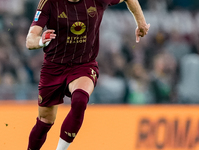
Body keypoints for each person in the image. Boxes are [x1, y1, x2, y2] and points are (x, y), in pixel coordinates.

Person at [26, 0, 150, 149]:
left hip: (83, 65)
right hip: (53, 67)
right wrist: (40, 41)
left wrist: (141, 23)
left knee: (79, 100)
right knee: (45, 121)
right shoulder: (49, 2)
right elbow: (30, 40)